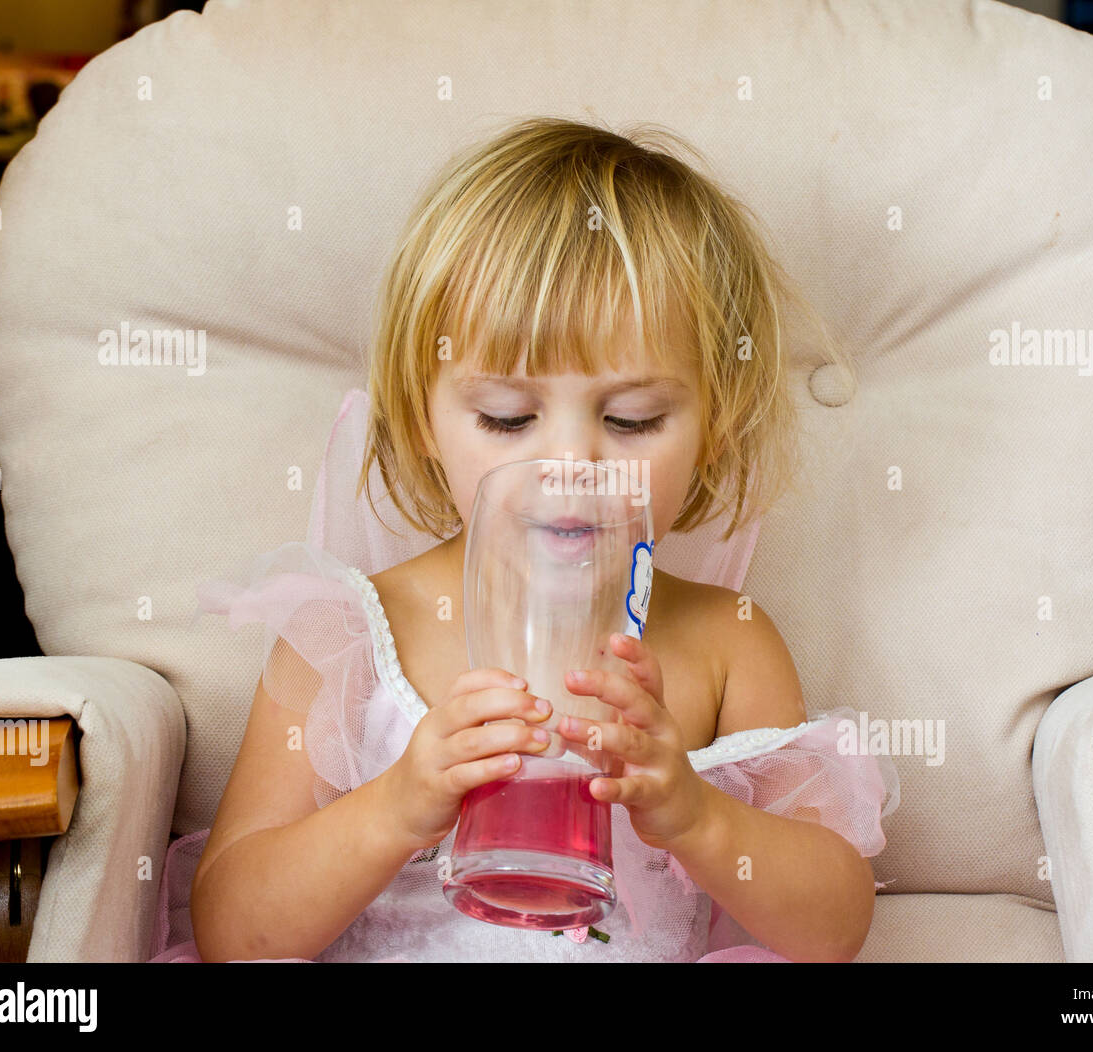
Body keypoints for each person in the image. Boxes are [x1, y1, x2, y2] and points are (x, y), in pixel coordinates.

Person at [149, 116, 899, 963]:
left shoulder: (729, 642)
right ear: (420, 422)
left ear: (715, 428)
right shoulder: (349, 633)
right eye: (507, 418)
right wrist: (397, 805)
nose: (571, 462)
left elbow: (833, 927)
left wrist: (696, 813)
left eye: (631, 419)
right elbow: (234, 928)